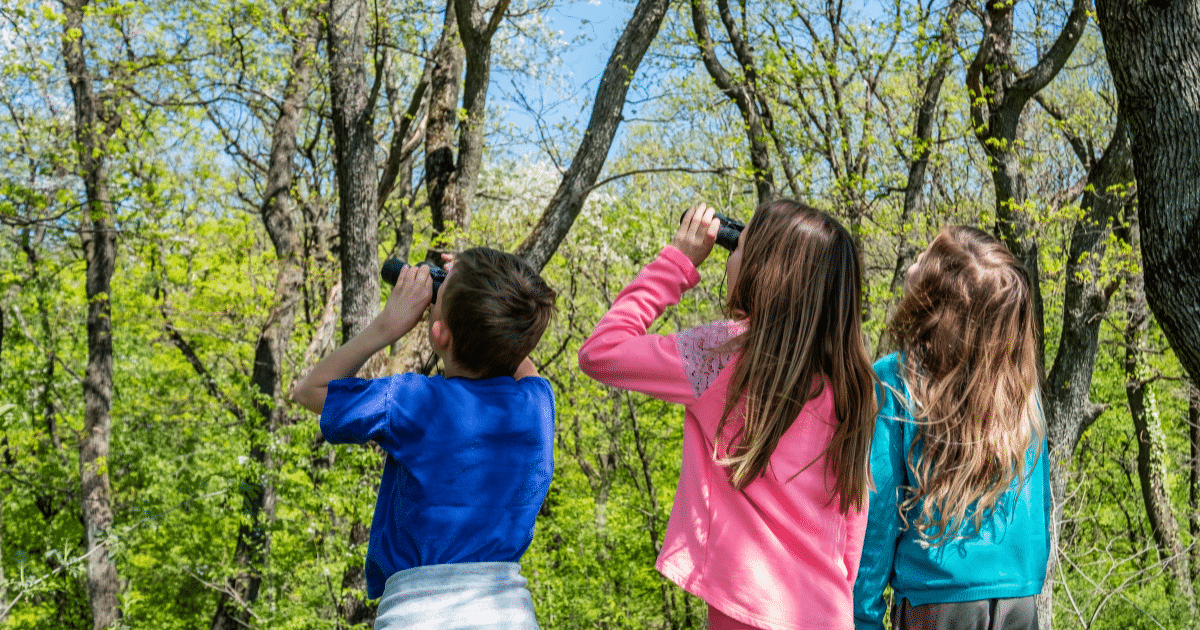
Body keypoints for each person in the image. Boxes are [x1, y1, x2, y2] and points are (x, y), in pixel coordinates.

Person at [578, 200, 878, 630]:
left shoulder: (723, 358)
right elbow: (852, 519)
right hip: (827, 611)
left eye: (737, 248)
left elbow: (599, 353)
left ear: (763, 272)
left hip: (748, 611)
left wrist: (677, 261)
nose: (729, 257)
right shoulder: (850, 384)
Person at [292, 247, 558, 630]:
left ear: (439, 333)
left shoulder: (413, 402)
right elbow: (517, 352)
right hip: (509, 615)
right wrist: (481, 293)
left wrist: (388, 324)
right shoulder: (536, 408)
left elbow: (310, 390)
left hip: (417, 615)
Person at [853, 226, 1051, 630]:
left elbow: (875, 519)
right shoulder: (1021, 390)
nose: (913, 262)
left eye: (926, 256)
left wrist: (863, 617)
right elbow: (1038, 505)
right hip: (1019, 600)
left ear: (936, 297)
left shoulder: (894, 380)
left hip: (937, 602)